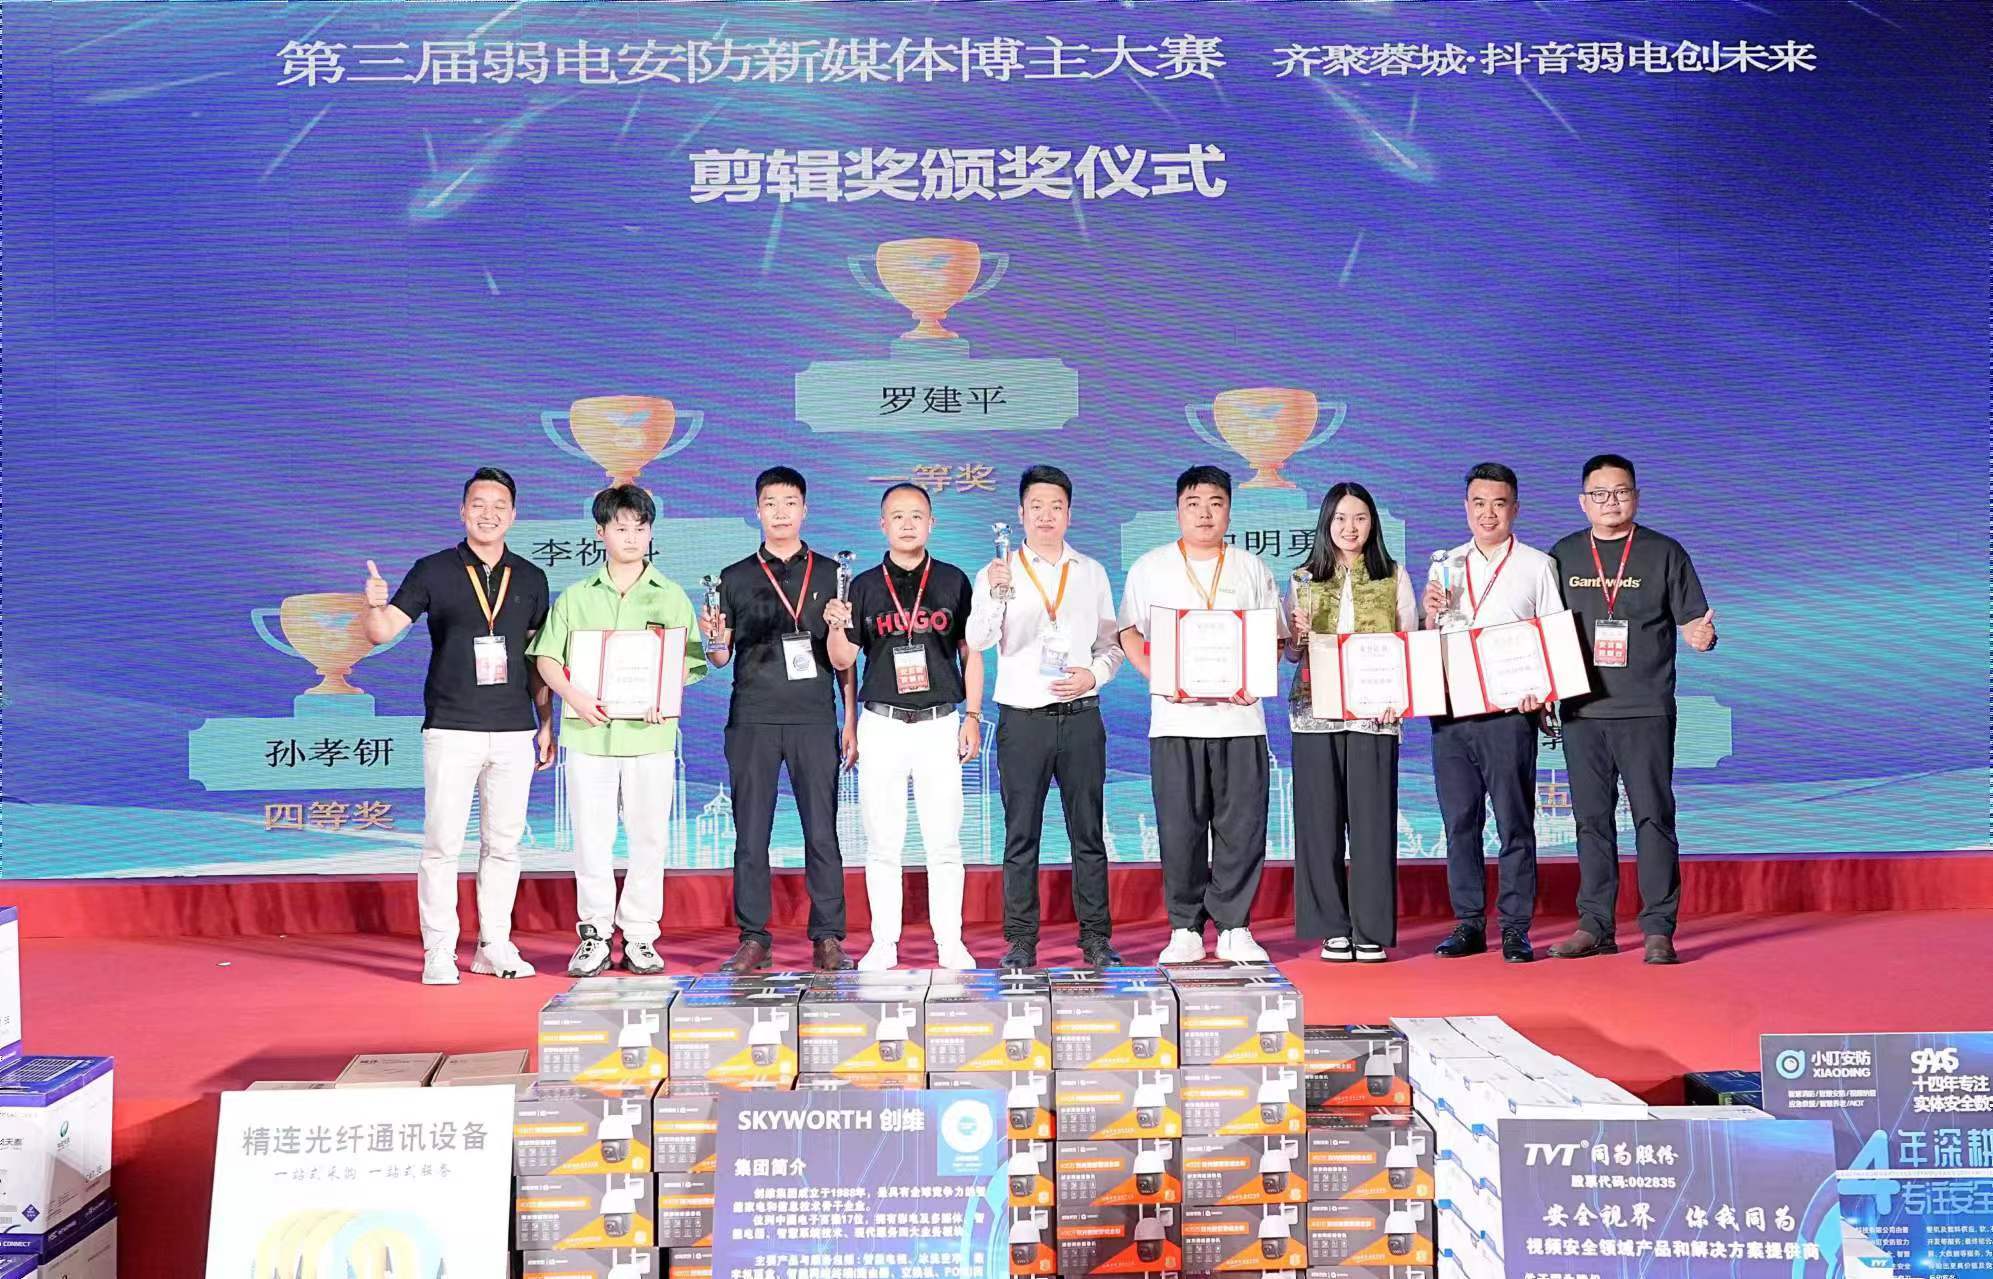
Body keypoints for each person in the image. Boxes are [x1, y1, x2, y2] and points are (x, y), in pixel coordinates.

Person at [361, 467, 552, 985]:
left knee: (504, 844)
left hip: (513, 729)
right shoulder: (433, 570)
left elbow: (538, 659)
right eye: (478, 504)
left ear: (513, 515)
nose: (489, 514)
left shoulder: (531, 578)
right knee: (443, 844)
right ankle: (440, 950)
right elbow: (382, 633)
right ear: (462, 511)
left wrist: (546, 722)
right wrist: (373, 605)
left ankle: (494, 945)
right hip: (451, 726)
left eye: (499, 505)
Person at [528, 484, 706, 977]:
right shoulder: (576, 597)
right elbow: (546, 658)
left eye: (640, 528)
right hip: (590, 735)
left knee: (649, 838)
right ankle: (595, 934)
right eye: (621, 527)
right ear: (600, 532)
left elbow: (687, 662)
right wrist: (574, 696)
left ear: (651, 533)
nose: (631, 537)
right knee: (592, 838)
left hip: (650, 737)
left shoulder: (671, 596)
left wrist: (662, 694)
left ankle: (642, 935)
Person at [1546, 454, 1716, 966]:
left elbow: (1695, 623)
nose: (1611, 502)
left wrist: (1702, 637)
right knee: (1590, 821)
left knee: (1653, 818)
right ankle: (1595, 925)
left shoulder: (1664, 552)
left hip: (1645, 709)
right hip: (1582, 710)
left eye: (1620, 492)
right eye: (1599, 494)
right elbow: (1541, 631)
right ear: (1583, 502)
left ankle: (1659, 928)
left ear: (1636, 497)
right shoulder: (1562, 556)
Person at [1118, 465, 1287, 965]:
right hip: (1175, 722)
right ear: (1178, 510)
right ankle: (1185, 927)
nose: (1205, 514)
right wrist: (1156, 674)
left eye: (1215, 503)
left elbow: (1275, 637)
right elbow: (1128, 631)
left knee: (1242, 826)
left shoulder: (1251, 568)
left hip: (1240, 722)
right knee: (1180, 827)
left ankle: (1235, 926)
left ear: (1229, 510)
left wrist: (1256, 677)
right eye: (1193, 504)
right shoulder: (1151, 567)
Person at [701, 467, 860, 974]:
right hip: (753, 719)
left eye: (790, 503)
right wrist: (713, 638)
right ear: (758, 511)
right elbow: (720, 658)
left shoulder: (834, 574)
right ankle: (754, 937)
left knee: (822, 831)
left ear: (805, 509)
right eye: (771, 503)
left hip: (814, 718)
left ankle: (828, 936)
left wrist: (850, 721)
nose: (781, 512)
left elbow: (845, 661)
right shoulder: (734, 577)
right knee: (750, 834)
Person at [967, 465, 1126, 970]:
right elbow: (978, 640)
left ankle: (1096, 938)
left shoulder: (1091, 572)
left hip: (1081, 716)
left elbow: (1112, 646)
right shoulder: (998, 571)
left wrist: (1092, 676)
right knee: (1021, 835)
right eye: (1036, 506)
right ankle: (1020, 940)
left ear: (1069, 514)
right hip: (1023, 720)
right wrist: (995, 594)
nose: (1046, 516)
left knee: (1089, 833)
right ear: (1020, 513)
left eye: (1056, 507)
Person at [826, 483, 985, 971]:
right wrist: (835, 625)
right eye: (898, 516)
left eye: (917, 515)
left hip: (939, 723)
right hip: (883, 724)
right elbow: (843, 661)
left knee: (944, 841)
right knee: (882, 842)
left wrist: (973, 715)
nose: (908, 523)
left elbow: (971, 653)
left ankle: (950, 942)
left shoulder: (954, 581)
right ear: (883, 525)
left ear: (932, 523)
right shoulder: (862, 586)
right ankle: (884, 943)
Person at [1423, 462, 1563, 964]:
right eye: (1479, 503)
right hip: (1452, 713)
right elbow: (1430, 639)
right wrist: (1429, 614)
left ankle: (1515, 928)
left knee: (1514, 821)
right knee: (1460, 821)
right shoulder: (1445, 565)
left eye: (1498, 504)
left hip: (1509, 714)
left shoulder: (1537, 565)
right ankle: (1468, 923)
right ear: (1466, 508)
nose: (1488, 514)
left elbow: (1553, 638)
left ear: (1515, 508)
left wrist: (1542, 693)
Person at [1284, 483, 1418, 964]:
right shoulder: (1302, 577)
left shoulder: (1394, 575)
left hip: (1374, 714)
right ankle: (1331, 927)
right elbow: (1290, 652)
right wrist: (1295, 636)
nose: (1350, 527)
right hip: (1314, 711)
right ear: (1326, 523)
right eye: (1340, 518)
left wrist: (1399, 697)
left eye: (1360, 517)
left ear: (1373, 523)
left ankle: (1370, 929)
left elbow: (1409, 641)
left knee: (1373, 822)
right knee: (1318, 822)